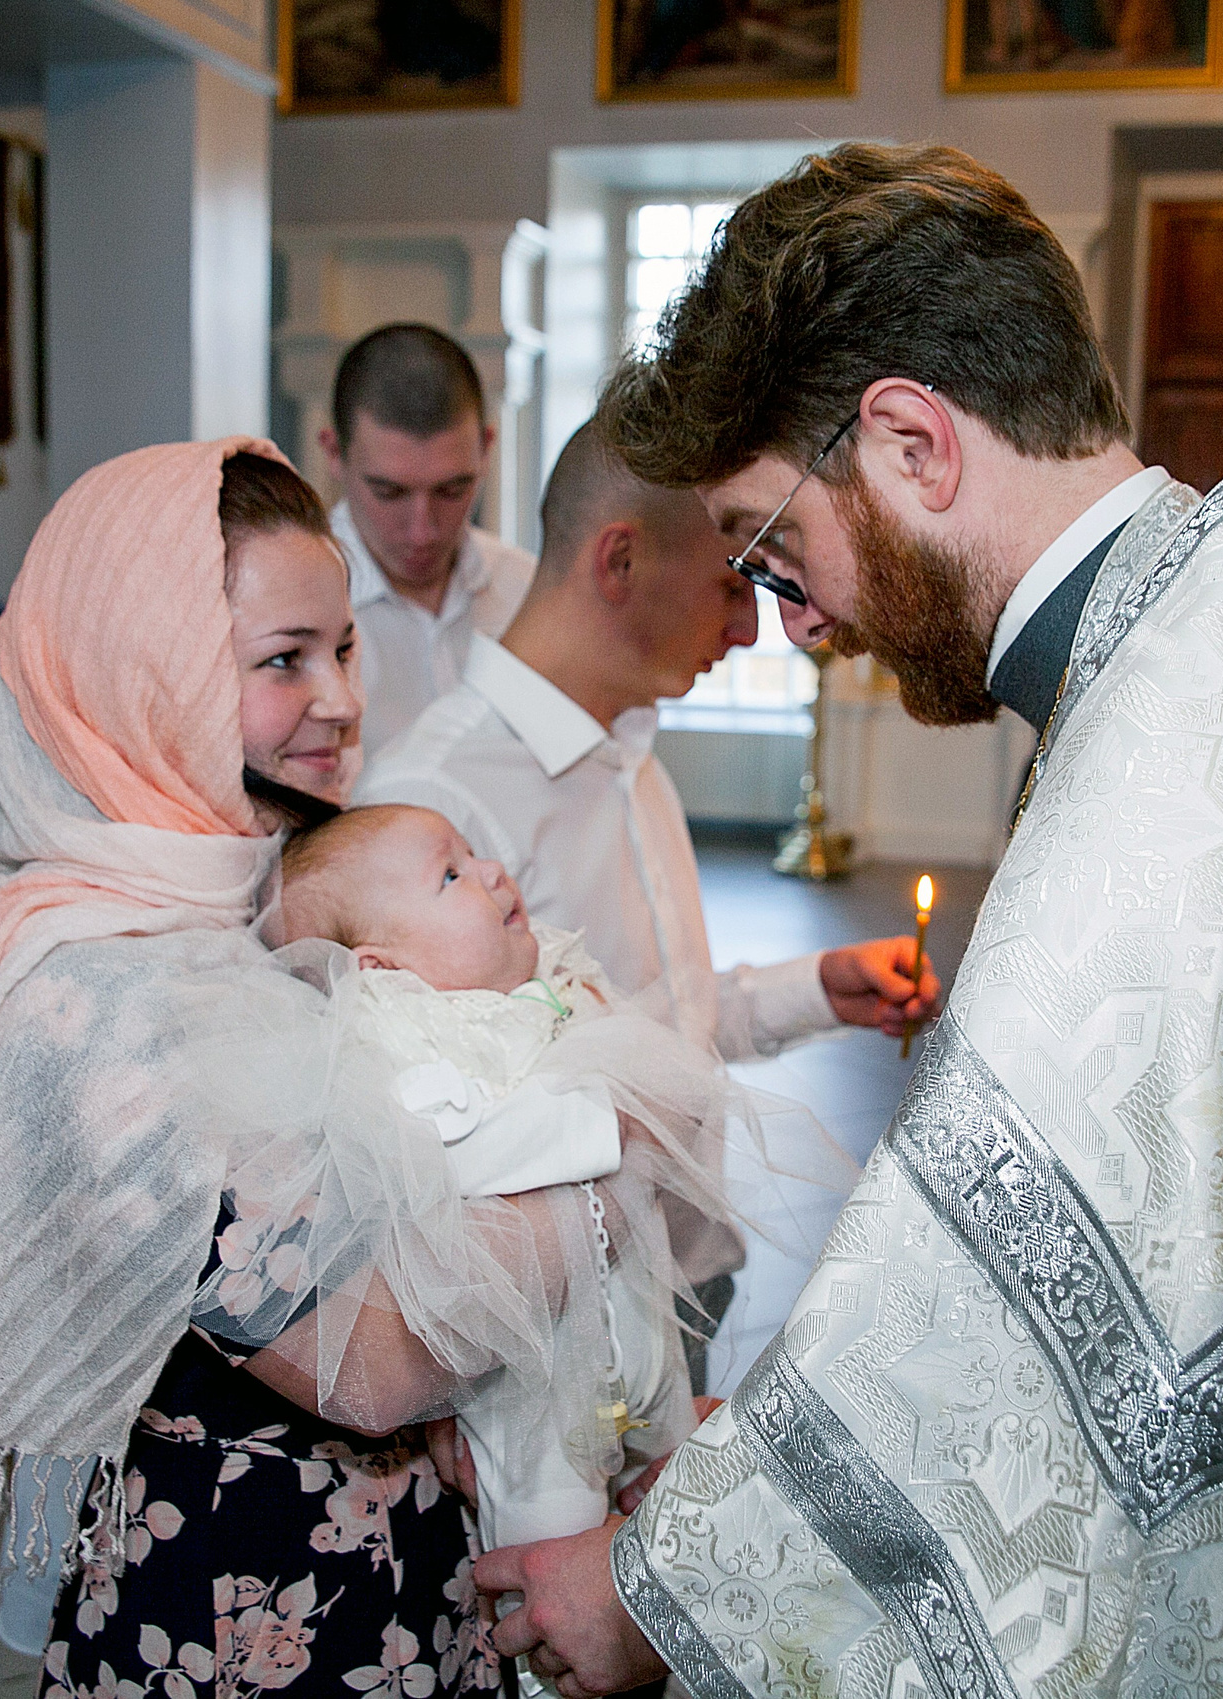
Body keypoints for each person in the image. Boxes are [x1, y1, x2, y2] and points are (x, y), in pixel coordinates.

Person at [473, 143, 1223, 1699]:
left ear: (911, 442)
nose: (797, 622)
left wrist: (656, 1591)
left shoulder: (1166, 780)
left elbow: (980, 1340)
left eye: (776, 546)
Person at [0, 440, 618, 1698]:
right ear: (142, 684)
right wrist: (599, 1150)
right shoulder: (97, 993)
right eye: (284, 660)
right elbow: (374, 1362)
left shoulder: (246, 897)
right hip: (248, 1602)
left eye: (344, 648)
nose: (340, 698)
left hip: (390, 1566)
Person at [357, 419, 938, 1390]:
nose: (751, 628)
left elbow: (653, 1022)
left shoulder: (628, 753)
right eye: (732, 583)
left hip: (691, 1263)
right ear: (619, 560)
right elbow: (424, 1162)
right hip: (559, 1331)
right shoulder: (435, 805)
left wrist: (817, 988)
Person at [276, 801, 733, 1550]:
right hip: (534, 1399)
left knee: (685, 1523)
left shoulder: (549, 974)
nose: (490, 871)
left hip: (644, 1334)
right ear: (381, 971)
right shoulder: (396, 1059)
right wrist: (611, 1114)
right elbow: (467, 1156)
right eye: (450, 875)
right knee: (548, 1557)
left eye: (474, 852)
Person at [318, 322, 535, 748]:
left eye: (452, 490)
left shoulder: (529, 594)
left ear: (487, 448)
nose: (423, 531)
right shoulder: (284, 608)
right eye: (389, 493)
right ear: (334, 453)